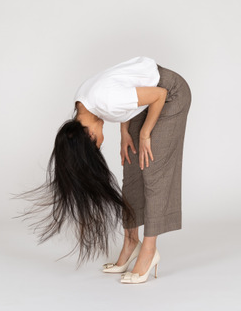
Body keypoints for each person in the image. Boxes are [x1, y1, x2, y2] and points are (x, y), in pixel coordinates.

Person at [13, 56, 192, 284]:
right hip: (147, 100)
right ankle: (130, 242)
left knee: (153, 169)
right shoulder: (85, 107)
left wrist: (145, 133)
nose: (98, 146)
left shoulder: (104, 102)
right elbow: (125, 97)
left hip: (170, 93)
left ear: (86, 135)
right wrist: (125, 134)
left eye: (94, 148)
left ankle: (149, 251)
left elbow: (159, 95)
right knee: (132, 169)